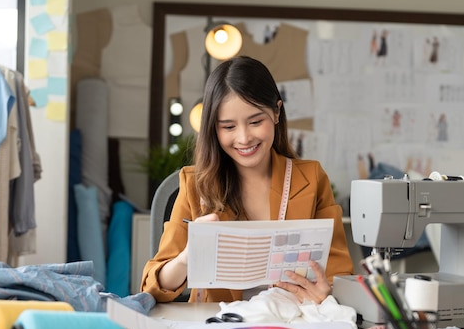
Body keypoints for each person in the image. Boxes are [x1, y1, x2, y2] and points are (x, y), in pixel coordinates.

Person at [141, 56, 354, 304]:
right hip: (219, 328)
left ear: (276, 112)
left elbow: (340, 276)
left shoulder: (311, 179)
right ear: (213, 128)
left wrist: (326, 292)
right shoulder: (195, 186)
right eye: (228, 127)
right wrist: (188, 257)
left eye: (255, 122)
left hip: (290, 325)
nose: (244, 138)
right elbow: (152, 287)